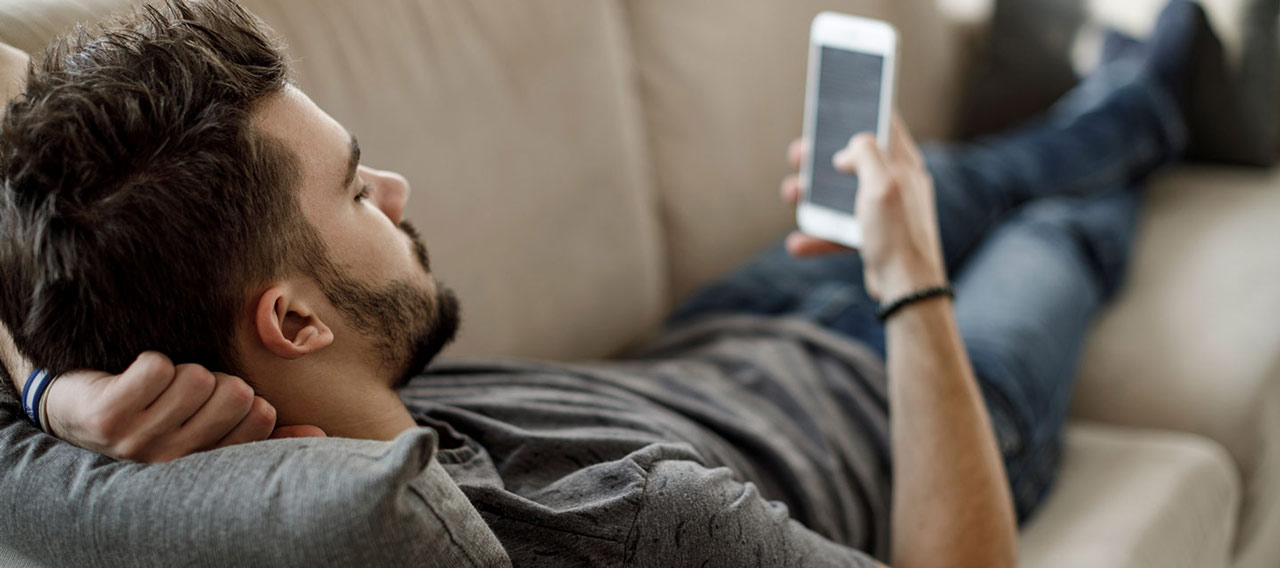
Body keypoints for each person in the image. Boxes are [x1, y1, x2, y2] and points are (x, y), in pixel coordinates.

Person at [0, 0, 1266, 566]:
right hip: (911, 405)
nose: (391, 189)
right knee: (1060, 231)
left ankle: (1115, 84)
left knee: (950, 173)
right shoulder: (634, 521)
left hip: (712, 340)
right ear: (292, 317)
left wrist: (54, 396)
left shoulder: (160, 444)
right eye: (350, 189)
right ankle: (1161, 87)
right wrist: (910, 289)